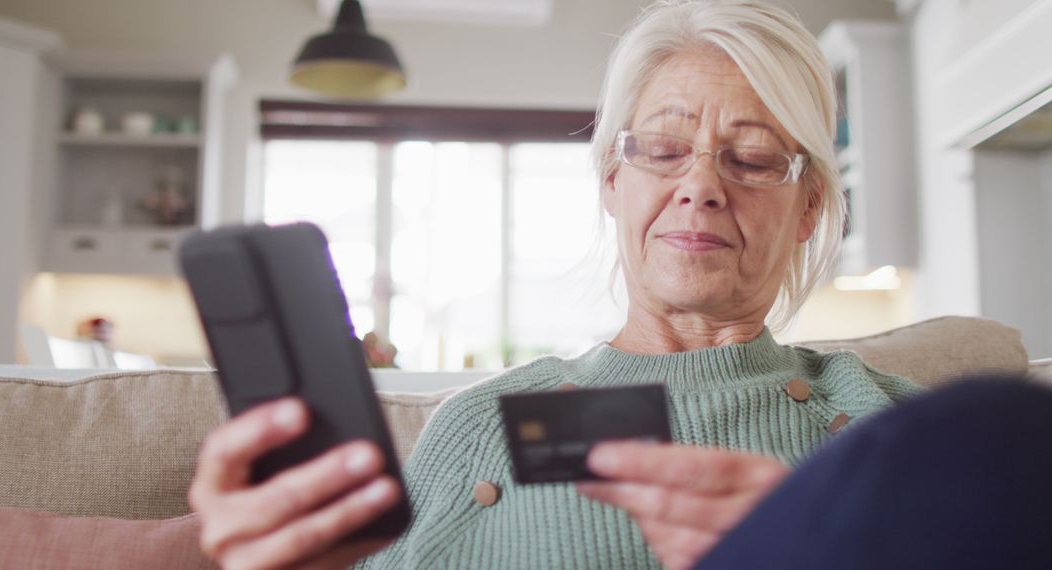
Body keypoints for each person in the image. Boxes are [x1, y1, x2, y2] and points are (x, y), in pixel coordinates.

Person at [188, 1, 1050, 568]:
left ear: (810, 207)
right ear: (612, 180)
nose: (701, 185)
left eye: (752, 158)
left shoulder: (892, 425)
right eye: (664, 149)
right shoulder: (477, 427)